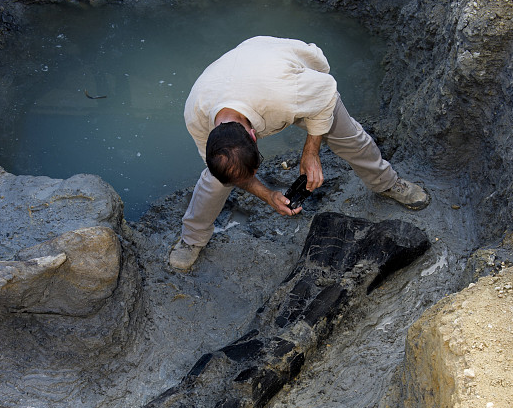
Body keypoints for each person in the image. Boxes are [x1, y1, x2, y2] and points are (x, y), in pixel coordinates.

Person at [169, 36, 429, 270]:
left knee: (348, 138)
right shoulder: (197, 117)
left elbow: (326, 92)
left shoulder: (286, 95)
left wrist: (311, 153)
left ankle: (388, 183)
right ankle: (191, 238)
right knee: (217, 179)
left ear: (254, 136)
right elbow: (231, 174)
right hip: (240, 77)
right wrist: (268, 195)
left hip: (293, 74)